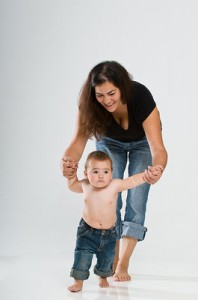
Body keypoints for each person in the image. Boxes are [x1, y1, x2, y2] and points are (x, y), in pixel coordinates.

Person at [61, 61, 168, 281]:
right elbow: (77, 143)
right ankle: (111, 259)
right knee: (109, 194)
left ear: (122, 87)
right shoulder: (89, 105)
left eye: (111, 93)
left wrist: (158, 168)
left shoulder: (140, 96)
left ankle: (123, 262)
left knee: (136, 201)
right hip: (110, 142)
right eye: (100, 95)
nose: (107, 101)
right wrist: (68, 161)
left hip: (143, 144)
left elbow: (158, 147)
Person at [67, 150, 156, 292]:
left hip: (109, 233)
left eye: (106, 172)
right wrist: (70, 176)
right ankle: (78, 281)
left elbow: (131, 181)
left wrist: (146, 176)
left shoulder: (114, 185)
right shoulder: (85, 185)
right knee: (82, 255)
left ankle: (102, 276)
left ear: (111, 173)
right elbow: (72, 186)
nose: (101, 176)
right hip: (87, 231)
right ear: (86, 173)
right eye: (95, 172)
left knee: (107, 258)